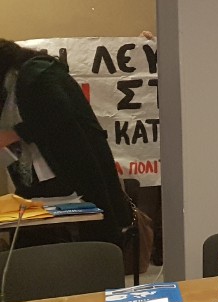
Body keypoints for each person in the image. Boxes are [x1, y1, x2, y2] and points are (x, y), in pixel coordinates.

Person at [0, 39, 133, 244]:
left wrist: (13, 134)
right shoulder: (15, 83)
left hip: (73, 172)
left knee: (86, 242)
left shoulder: (38, 73)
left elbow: (58, 117)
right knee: (28, 244)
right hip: (40, 178)